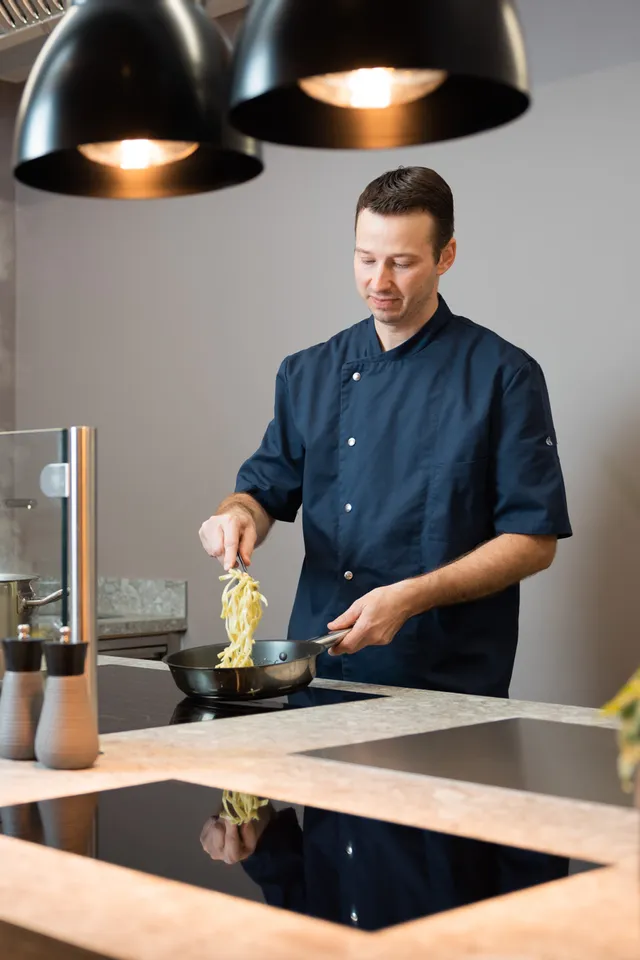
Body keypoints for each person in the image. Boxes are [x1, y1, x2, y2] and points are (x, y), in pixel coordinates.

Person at [199, 165, 571, 698]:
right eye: (366, 259)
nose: (379, 282)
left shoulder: (503, 375)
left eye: (402, 263)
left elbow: (533, 540)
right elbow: (261, 492)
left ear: (446, 256)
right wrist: (235, 518)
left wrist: (409, 597)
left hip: (445, 683)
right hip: (318, 672)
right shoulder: (308, 372)